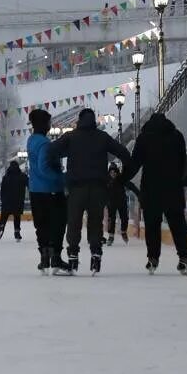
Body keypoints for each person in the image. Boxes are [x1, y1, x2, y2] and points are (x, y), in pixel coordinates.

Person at [48, 107, 130, 275]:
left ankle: (72, 256)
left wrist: (58, 168)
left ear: (79, 120)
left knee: (74, 222)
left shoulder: (71, 137)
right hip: (98, 188)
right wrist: (122, 177)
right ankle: (96, 254)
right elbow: (123, 152)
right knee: (95, 223)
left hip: (77, 188)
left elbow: (51, 150)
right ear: (94, 121)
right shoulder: (102, 137)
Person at [119, 111, 187, 275]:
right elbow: (183, 161)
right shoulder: (177, 136)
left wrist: (121, 180)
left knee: (152, 225)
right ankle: (184, 257)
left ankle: (153, 258)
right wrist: (179, 179)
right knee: (177, 223)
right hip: (173, 186)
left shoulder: (144, 138)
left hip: (151, 188)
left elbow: (135, 164)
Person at [26, 109, 69, 275]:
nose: (50, 126)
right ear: (44, 124)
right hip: (50, 190)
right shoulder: (44, 143)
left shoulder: (31, 141)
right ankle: (55, 256)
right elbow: (44, 167)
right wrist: (61, 178)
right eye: (49, 123)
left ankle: (44, 256)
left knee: (41, 224)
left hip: (35, 189)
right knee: (58, 223)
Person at [0, 159, 27, 241]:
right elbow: (29, 185)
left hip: (7, 201)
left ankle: (1, 228)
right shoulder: (22, 176)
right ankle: (17, 232)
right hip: (18, 201)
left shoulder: (6, 177)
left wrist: (3, 199)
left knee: (4, 216)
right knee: (17, 217)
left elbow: (2, 190)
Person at [104, 163, 132, 246]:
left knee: (124, 217)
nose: (113, 174)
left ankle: (123, 231)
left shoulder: (121, 179)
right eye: (111, 172)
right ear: (109, 173)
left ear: (117, 172)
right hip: (111, 203)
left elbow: (131, 185)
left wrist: (138, 193)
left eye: (114, 172)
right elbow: (102, 191)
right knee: (111, 219)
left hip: (122, 202)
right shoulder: (107, 180)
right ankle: (111, 236)